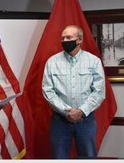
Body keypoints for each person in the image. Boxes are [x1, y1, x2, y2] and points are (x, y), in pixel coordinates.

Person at [42, 25, 106, 158]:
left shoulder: (93, 61)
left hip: (85, 119)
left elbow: (99, 91)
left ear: (79, 40)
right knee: (58, 158)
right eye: (63, 38)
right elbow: (48, 91)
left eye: (69, 37)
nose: (65, 40)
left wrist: (81, 111)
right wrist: (67, 111)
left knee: (88, 157)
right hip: (60, 120)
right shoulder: (52, 62)